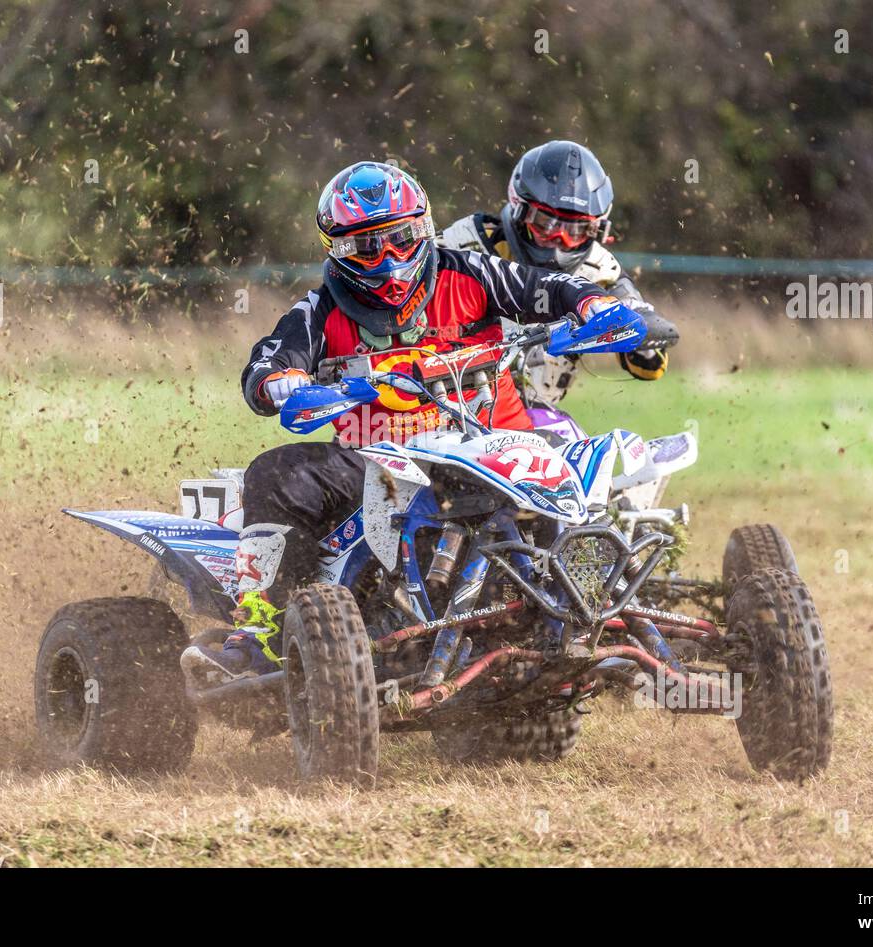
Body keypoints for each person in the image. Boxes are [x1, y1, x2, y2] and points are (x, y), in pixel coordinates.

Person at [180, 160, 638, 684]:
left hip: (494, 443)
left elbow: (549, 287)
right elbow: (264, 367)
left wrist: (594, 303)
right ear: (337, 249)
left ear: (423, 227)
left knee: (589, 462)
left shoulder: (470, 272)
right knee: (274, 475)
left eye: (401, 238)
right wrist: (283, 383)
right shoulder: (321, 308)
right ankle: (262, 628)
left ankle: (598, 604)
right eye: (367, 246)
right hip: (377, 459)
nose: (391, 258)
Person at [440, 140, 677, 410]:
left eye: (575, 230)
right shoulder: (466, 242)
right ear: (519, 208)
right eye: (546, 224)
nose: (559, 240)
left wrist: (638, 327)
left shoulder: (599, 269)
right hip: (451, 408)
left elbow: (651, 368)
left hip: (536, 417)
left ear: (597, 228)